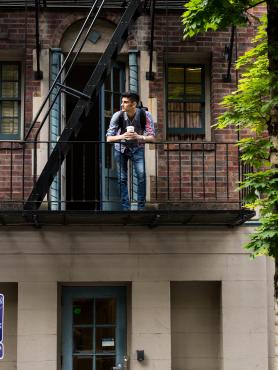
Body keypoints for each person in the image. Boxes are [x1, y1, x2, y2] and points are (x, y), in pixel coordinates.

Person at [106, 92, 156, 210]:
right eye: (122, 102)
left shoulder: (145, 115)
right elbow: (109, 138)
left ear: (133, 104)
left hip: (137, 148)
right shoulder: (117, 116)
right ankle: (125, 208)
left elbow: (152, 138)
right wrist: (123, 136)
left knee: (141, 176)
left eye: (125, 102)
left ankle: (141, 208)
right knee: (122, 178)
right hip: (121, 149)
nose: (122, 104)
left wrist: (138, 137)